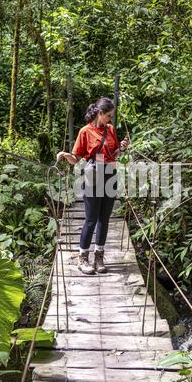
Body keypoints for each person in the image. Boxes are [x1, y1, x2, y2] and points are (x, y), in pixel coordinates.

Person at [56, 97, 129, 275]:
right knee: (91, 219)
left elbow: (113, 155)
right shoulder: (85, 131)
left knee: (104, 219)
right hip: (92, 176)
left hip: (110, 174)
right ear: (100, 113)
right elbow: (76, 159)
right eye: (109, 115)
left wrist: (122, 148)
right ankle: (83, 258)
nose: (111, 119)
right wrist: (66, 155)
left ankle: (99, 256)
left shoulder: (110, 130)